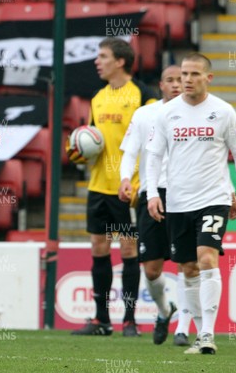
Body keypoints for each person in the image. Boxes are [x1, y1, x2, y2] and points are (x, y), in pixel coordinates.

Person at [146, 53, 236, 355]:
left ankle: (207, 334)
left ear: (209, 78)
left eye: (194, 74)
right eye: (183, 74)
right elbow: (154, 156)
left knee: (207, 258)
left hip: (213, 199)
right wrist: (153, 193)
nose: (187, 80)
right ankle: (197, 333)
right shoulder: (167, 113)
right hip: (178, 202)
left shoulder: (223, 111)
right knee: (188, 267)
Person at [72, 38, 157, 337]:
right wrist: (79, 149)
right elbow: (93, 138)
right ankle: (100, 320)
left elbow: (154, 140)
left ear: (120, 61)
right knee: (99, 247)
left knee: (129, 248)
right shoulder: (97, 97)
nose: (97, 61)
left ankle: (130, 320)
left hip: (129, 187)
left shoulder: (144, 95)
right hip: (99, 186)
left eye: (103, 56)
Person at [118, 65, 182, 345]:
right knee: (152, 269)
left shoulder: (201, 114)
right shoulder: (145, 114)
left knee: (189, 263)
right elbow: (130, 150)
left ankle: (187, 330)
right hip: (151, 194)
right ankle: (165, 311)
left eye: (182, 79)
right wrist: (124, 179)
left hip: (188, 195)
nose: (177, 85)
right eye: (171, 80)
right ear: (161, 85)